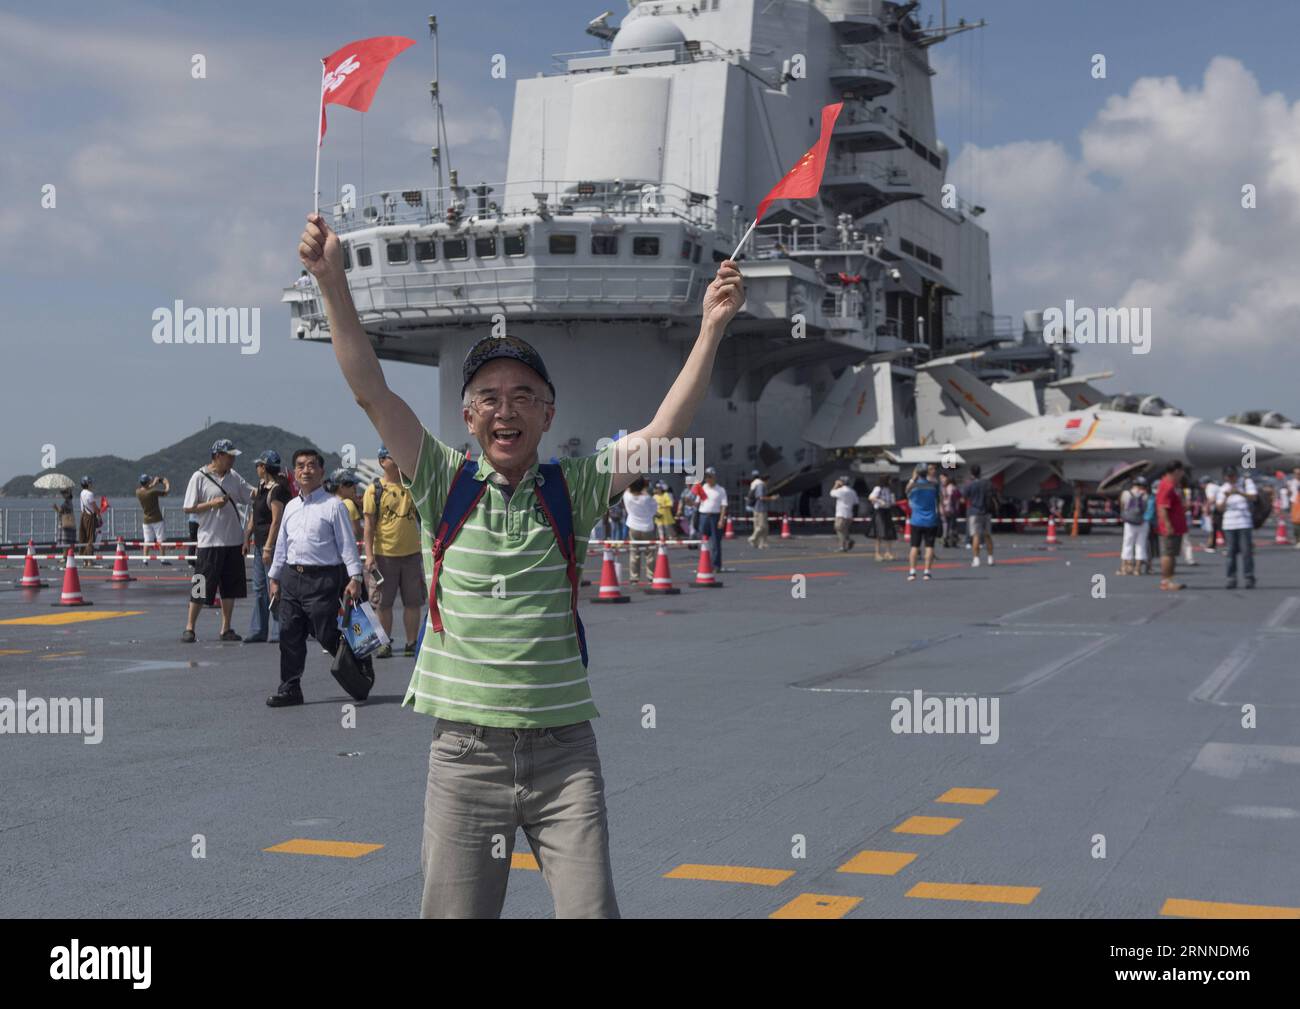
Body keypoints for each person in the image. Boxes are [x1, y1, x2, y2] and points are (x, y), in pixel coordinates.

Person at [298, 209, 744, 919]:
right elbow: (372, 390)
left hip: (566, 758)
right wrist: (331, 283)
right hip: (466, 757)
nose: (506, 410)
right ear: (469, 417)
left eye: (523, 398)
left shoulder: (578, 486)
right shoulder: (442, 479)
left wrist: (712, 327)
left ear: (547, 413)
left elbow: (663, 430)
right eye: (489, 398)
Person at [266, 449, 365, 706]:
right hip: (291, 577)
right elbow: (281, 546)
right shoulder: (290, 506)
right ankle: (290, 688)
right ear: (294, 472)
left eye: (311, 465)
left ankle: (359, 672)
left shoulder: (333, 506)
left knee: (327, 634)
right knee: (288, 634)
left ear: (321, 472)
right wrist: (274, 577)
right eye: (300, 466)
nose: (306, 470)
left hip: (323, 579)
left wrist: (355, 577)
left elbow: (347, 544)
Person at [181, 438, 254, 642]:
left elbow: (250, 494)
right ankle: (189, 627)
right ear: (218, 456)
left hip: (233, 541)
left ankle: (226, 628)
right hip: (208, 542)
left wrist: (269, 487)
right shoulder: (199, 476)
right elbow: (188, 507)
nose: (232, 460)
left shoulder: (234, 477)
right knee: (200, 585)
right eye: (229, 456)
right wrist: (212, 504)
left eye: (233, 456)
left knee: (229, 587)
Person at [363, 446, 424, 659]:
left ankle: (411, 642)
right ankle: (384, 643)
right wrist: (369, 555)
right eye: (392, 457)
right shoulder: (374, 490)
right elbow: (369, 526)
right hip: (384, 555)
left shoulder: (413, 487)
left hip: (412, 554)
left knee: (413, 602)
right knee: (383, 603)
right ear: (382, 461)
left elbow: (423, 519)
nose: (397, 461)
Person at [246, 450, 291, 644]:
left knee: (274, 587)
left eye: (258, 465)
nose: (256, 468)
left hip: (269, 545)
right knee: (259, 588)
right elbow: (255, 515)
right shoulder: (262, 487)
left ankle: (278, 629)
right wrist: (246, 537)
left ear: (264, 467)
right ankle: (259, 629)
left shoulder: (277, 490)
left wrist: (268, 547)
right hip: (259, 543)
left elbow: (276, 520)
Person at [1216, 466, 1257, 590]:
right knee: (1230, 553)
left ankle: (1249, 577)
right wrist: (1226, 496)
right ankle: (1231, 578)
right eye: (1228, 476)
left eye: (1233, 475)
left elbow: (1253, 497)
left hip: (1244, 523)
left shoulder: (1245, 483)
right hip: (1229, 524)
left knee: (1246, 552)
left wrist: (1239, 492)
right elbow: (1219, 508)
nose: (1231, 478)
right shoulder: (1222, 488)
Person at [1155, 460, 1188, 592]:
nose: (1182, 474)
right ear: (1176, 471)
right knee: (1168, 554)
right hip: (1170, 526)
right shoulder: (1167, 486)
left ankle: (1169, 580)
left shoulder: (1172, 485)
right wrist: (1167, 525)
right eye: (1181, 471)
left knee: (1172, 554)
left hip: (1176, 525)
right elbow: (1162, 507)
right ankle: (1166, 581)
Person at [906, 463, 941, 581]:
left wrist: (913, 478)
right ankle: (927, 572)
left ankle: (912, 572)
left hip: (916, 520)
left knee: (914, 546)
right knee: (929, 546)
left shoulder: (913, 487)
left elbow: (907, 491)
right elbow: (938, 499)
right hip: (931, 519)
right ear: (927, 472)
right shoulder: (933, 486)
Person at [622, 477, 658, 585]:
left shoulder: (627, 496)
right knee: (650, 553)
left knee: (634, 552)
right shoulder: (647, 498)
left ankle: (634, 577)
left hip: (633, 526)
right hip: (647, 527)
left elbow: (627, 488)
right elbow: (654, 510)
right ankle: (651, 576)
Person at [695, 466, 728, 571]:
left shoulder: (720, 490)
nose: (707, 479)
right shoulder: (702, 488)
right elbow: (697, 502)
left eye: (710, 477)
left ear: (714, 477)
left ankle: (716, 565)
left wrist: (721, 520)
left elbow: (723, 506)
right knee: (704, 540)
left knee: (715, 542)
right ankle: (704, 563)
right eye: (706, 477)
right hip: (703, 515)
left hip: (715, 516)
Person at [962, 464, 995, 568]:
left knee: (975, 536)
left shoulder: (969, 485)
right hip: (986, 512)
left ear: (972, 473)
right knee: (987, 535)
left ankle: (976, 559)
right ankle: (990, 558)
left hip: (974, 512)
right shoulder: (986, 483)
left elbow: (964, 498)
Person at [135, 474, 172, 566]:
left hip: (146, 520)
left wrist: (154, 483)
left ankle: (145, 559)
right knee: (160, 540)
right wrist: (167, 484)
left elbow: (146, 488)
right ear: (147, 482)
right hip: (157, 519)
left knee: (147, 541)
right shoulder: (153, 492)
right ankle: (162, 559)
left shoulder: (138, 492)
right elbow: (166, 492)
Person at [1118, 476, 1150, 576]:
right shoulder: (1145, 495)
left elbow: (1123, 506)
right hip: (1142, 522)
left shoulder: (1126, 493)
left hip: (1129, 522)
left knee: (1127, 544)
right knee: (1140, 545)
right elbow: (1146, 509)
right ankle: (1137, 568)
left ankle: (1124, 567)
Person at [868, 477, 897, 561]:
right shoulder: (878, 488)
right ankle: (877, 553)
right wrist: (880, 501)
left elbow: (890, 501)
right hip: (879, 512)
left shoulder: (888, 489)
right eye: (889, 479)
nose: (891, 481)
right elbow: (871, 497)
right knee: (879, 533)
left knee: (889, 532)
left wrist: (892, 501)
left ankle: (888, 552)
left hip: (887, 511)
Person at [829, 476, 859, 551]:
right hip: (849, 513)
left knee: (838, 528)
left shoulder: (841, 491)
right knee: (844, 530)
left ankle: (843, 545)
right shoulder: (852, 491)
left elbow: (831, 493)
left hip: (841, 513)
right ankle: (846, 542)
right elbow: (856, 502)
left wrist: (835, 485)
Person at [746, 470, 775, 549]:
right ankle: (753, 538)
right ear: (767, 479)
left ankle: (760, 543)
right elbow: (760, 497)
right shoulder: (761, 485)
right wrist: (771, 498)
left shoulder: (756, 483)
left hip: (757, 508)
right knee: (762, 527)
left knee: (761, 527)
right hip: (760, 509)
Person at [334, 469, 364, 543]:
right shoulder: (348, 504)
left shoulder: (330, 502)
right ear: (341, 486)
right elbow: (357, 533)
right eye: (351, 484)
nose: (355, 488)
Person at [77, 476, 99, 566]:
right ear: (87, 484)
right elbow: (94, 507)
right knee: (90, 538)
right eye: (90, 483)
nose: (91, 484)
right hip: (90, 516)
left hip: (83, 516)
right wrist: (100, 511)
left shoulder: (81, 493)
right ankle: (90, 560)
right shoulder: (90, 494)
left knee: (83, 537)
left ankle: (84, 559)